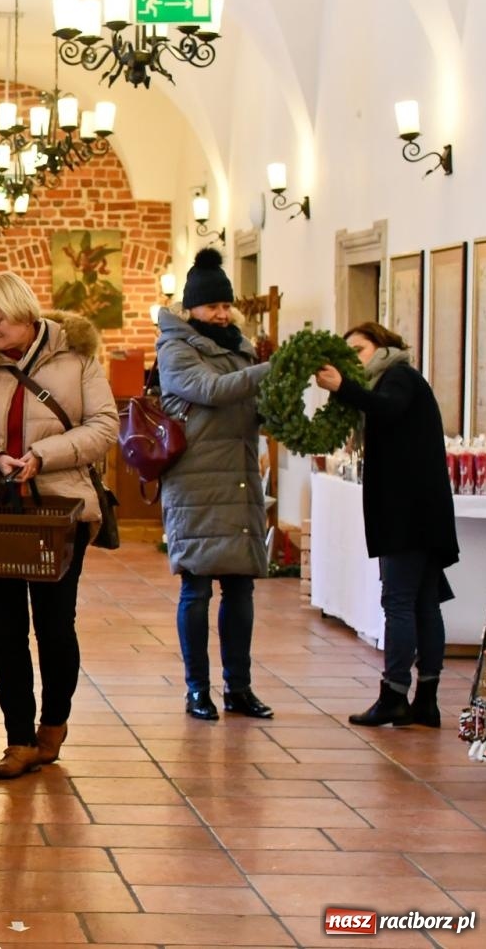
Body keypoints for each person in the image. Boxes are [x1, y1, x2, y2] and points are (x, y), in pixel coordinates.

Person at [0, 271, 117, 778]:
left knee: (55, 625)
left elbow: (104, 425)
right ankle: (18, 739)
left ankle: (52, 724)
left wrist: (43, 454)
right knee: (4, 631)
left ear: (26, 317)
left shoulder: (76, 359)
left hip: (60, 511)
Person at [315, 322, 457, 728]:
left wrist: (344, 388)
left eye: (358, 350)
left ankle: (395, 694)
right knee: (423, 602)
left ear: (382, 347)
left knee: (399, 602)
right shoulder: (396, 379)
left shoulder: (397, 377)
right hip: (420, 512)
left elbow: (388, 409)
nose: (353, 361)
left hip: (407, 514)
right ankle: (426, 699)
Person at [155, 248, 275, 721]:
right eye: (212, 307)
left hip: (239, 478)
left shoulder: (240, 347)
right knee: (197, 591)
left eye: (226, 306)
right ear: (191, 309)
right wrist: (272, 370)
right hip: (196, 482)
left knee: (241, 590)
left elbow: (248, 403)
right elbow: (210, 391)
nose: (222, 314)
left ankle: (239, 688)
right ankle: (197, 690)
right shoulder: (175, 348)